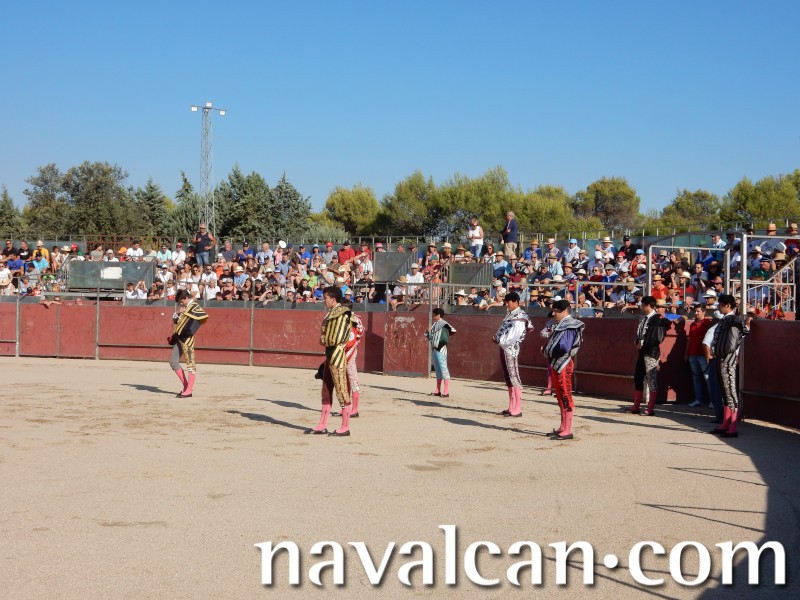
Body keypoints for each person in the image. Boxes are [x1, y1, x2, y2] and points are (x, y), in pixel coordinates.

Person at [306, 286, 353, 437]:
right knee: (326, 390)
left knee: (342, 391)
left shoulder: (342, 313)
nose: (323, 300)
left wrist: (323, 339)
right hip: (330, 356)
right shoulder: (332, 313)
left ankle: (345, 427)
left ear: (333, 299)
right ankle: (322, 425)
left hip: (337, 356)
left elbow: (335, 338)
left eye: (325, 298)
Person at [542, 299, 585, 440]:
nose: (554, 313)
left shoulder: (571, 325)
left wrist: (548, 351)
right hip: (557, 362)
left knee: (565, 394)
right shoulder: (561, 323)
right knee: (560, 394)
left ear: (565, 311)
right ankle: (563, 427)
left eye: (556, 311)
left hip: (564, 363)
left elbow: (564, 347)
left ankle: (567, 430)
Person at [710, 294, 748, 437]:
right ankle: (726, 424)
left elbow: (733, 342)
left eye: (720, 304)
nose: (718, 307)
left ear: (727, 306)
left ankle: (733, 427)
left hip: (728, 359)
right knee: (726, 392)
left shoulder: (733, 320)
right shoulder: (727, 319)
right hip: (722, 358)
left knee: (730, 392)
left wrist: (722, 351)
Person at [626, 295, 672, 415]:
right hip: (642, 352)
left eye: (642, 305)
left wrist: (644, 344)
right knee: (638, 377)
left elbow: (660, 335)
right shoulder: (645, 318)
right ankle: (636, 406)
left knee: (651, 379)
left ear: (647, 305)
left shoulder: (657, 318)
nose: (641, 307)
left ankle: (650, 409)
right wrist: (638, 342)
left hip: (652, 352)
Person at [493, 291, 533, 417]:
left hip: (510, 348)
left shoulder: (519, 316)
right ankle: (512, 406)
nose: (506, 304)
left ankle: (518, 408)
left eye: (508, 302)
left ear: (515, 302)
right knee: (509, 377)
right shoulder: (512, 314)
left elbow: (515, 336)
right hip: (505, 347)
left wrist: (500, 341)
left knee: (514, 377)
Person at [168, 289, 209, 398]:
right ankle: (186, 386)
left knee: (190, 364)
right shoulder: (185, 307)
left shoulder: (194, 307)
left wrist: (185, 313)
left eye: (182, 301)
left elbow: (202, 316)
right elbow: (176, 322)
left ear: (186, 298)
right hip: (179, 338)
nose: (181, 304)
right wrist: (177, 313)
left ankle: (189, 390)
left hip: (187, 339)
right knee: (173, 362)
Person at [425, 308, 457, 398]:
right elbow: (430, 338)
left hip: (441, 349)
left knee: (444, 369)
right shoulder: (435, 324)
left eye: (435, 314)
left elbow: (445, 339)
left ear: (439, 315)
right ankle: (438, 390)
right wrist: (428, 332)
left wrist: (438, 346)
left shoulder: (444, 324)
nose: (433, 316)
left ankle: (446, 391)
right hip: (435, 349)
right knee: (438, 370)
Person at [686, 304, 713, 408]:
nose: (696, 313)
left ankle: (713, 401)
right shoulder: (692, 324)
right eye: (695, 311)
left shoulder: (707, 323)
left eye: (698, 311)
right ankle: (699, 399)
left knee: (707, 378)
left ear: (704, 312)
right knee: (696, 378)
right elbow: (689, 340)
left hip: (703, 354)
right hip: (693, 354)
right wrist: (686, 353)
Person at [344, 302, 365, 417]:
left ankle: (355, 409)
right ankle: (347, 408)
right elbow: (360, 333)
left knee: (352, 379)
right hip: (345, 351)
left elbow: (357, 335)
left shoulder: (354, 319)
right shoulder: (355, 319)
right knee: (345, 380)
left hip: (349, 351)